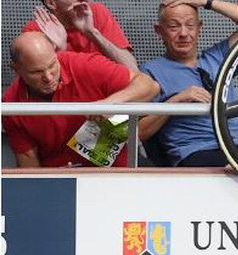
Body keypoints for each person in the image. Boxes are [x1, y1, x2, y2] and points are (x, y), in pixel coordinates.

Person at [139, 0, 238, 167]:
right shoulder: (150, 71)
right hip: (196, 152)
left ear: (200, 28)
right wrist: (176, 101)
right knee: (235, 173)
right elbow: (138, 132)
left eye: (190, 25)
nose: (183, 33)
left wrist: (206, 2)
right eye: (174, 26)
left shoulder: (219, 57)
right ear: (159, 31)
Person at [2, 32, 160, 168]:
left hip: (115, 173)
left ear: (55, 53)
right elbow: (29, 162)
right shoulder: (11, 103)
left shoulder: (83, 65)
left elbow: (150, 86)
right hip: (61, 181)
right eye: (36, 72)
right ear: (17, 70)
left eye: (52, 65)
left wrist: (109, 104)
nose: (49, 77)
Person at [24, 0, 138, 71]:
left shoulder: (97, 12)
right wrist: (60, 50)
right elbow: (45, 86)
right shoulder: (34, 33)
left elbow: (132, 69)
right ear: (51, 3)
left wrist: (92, 33)